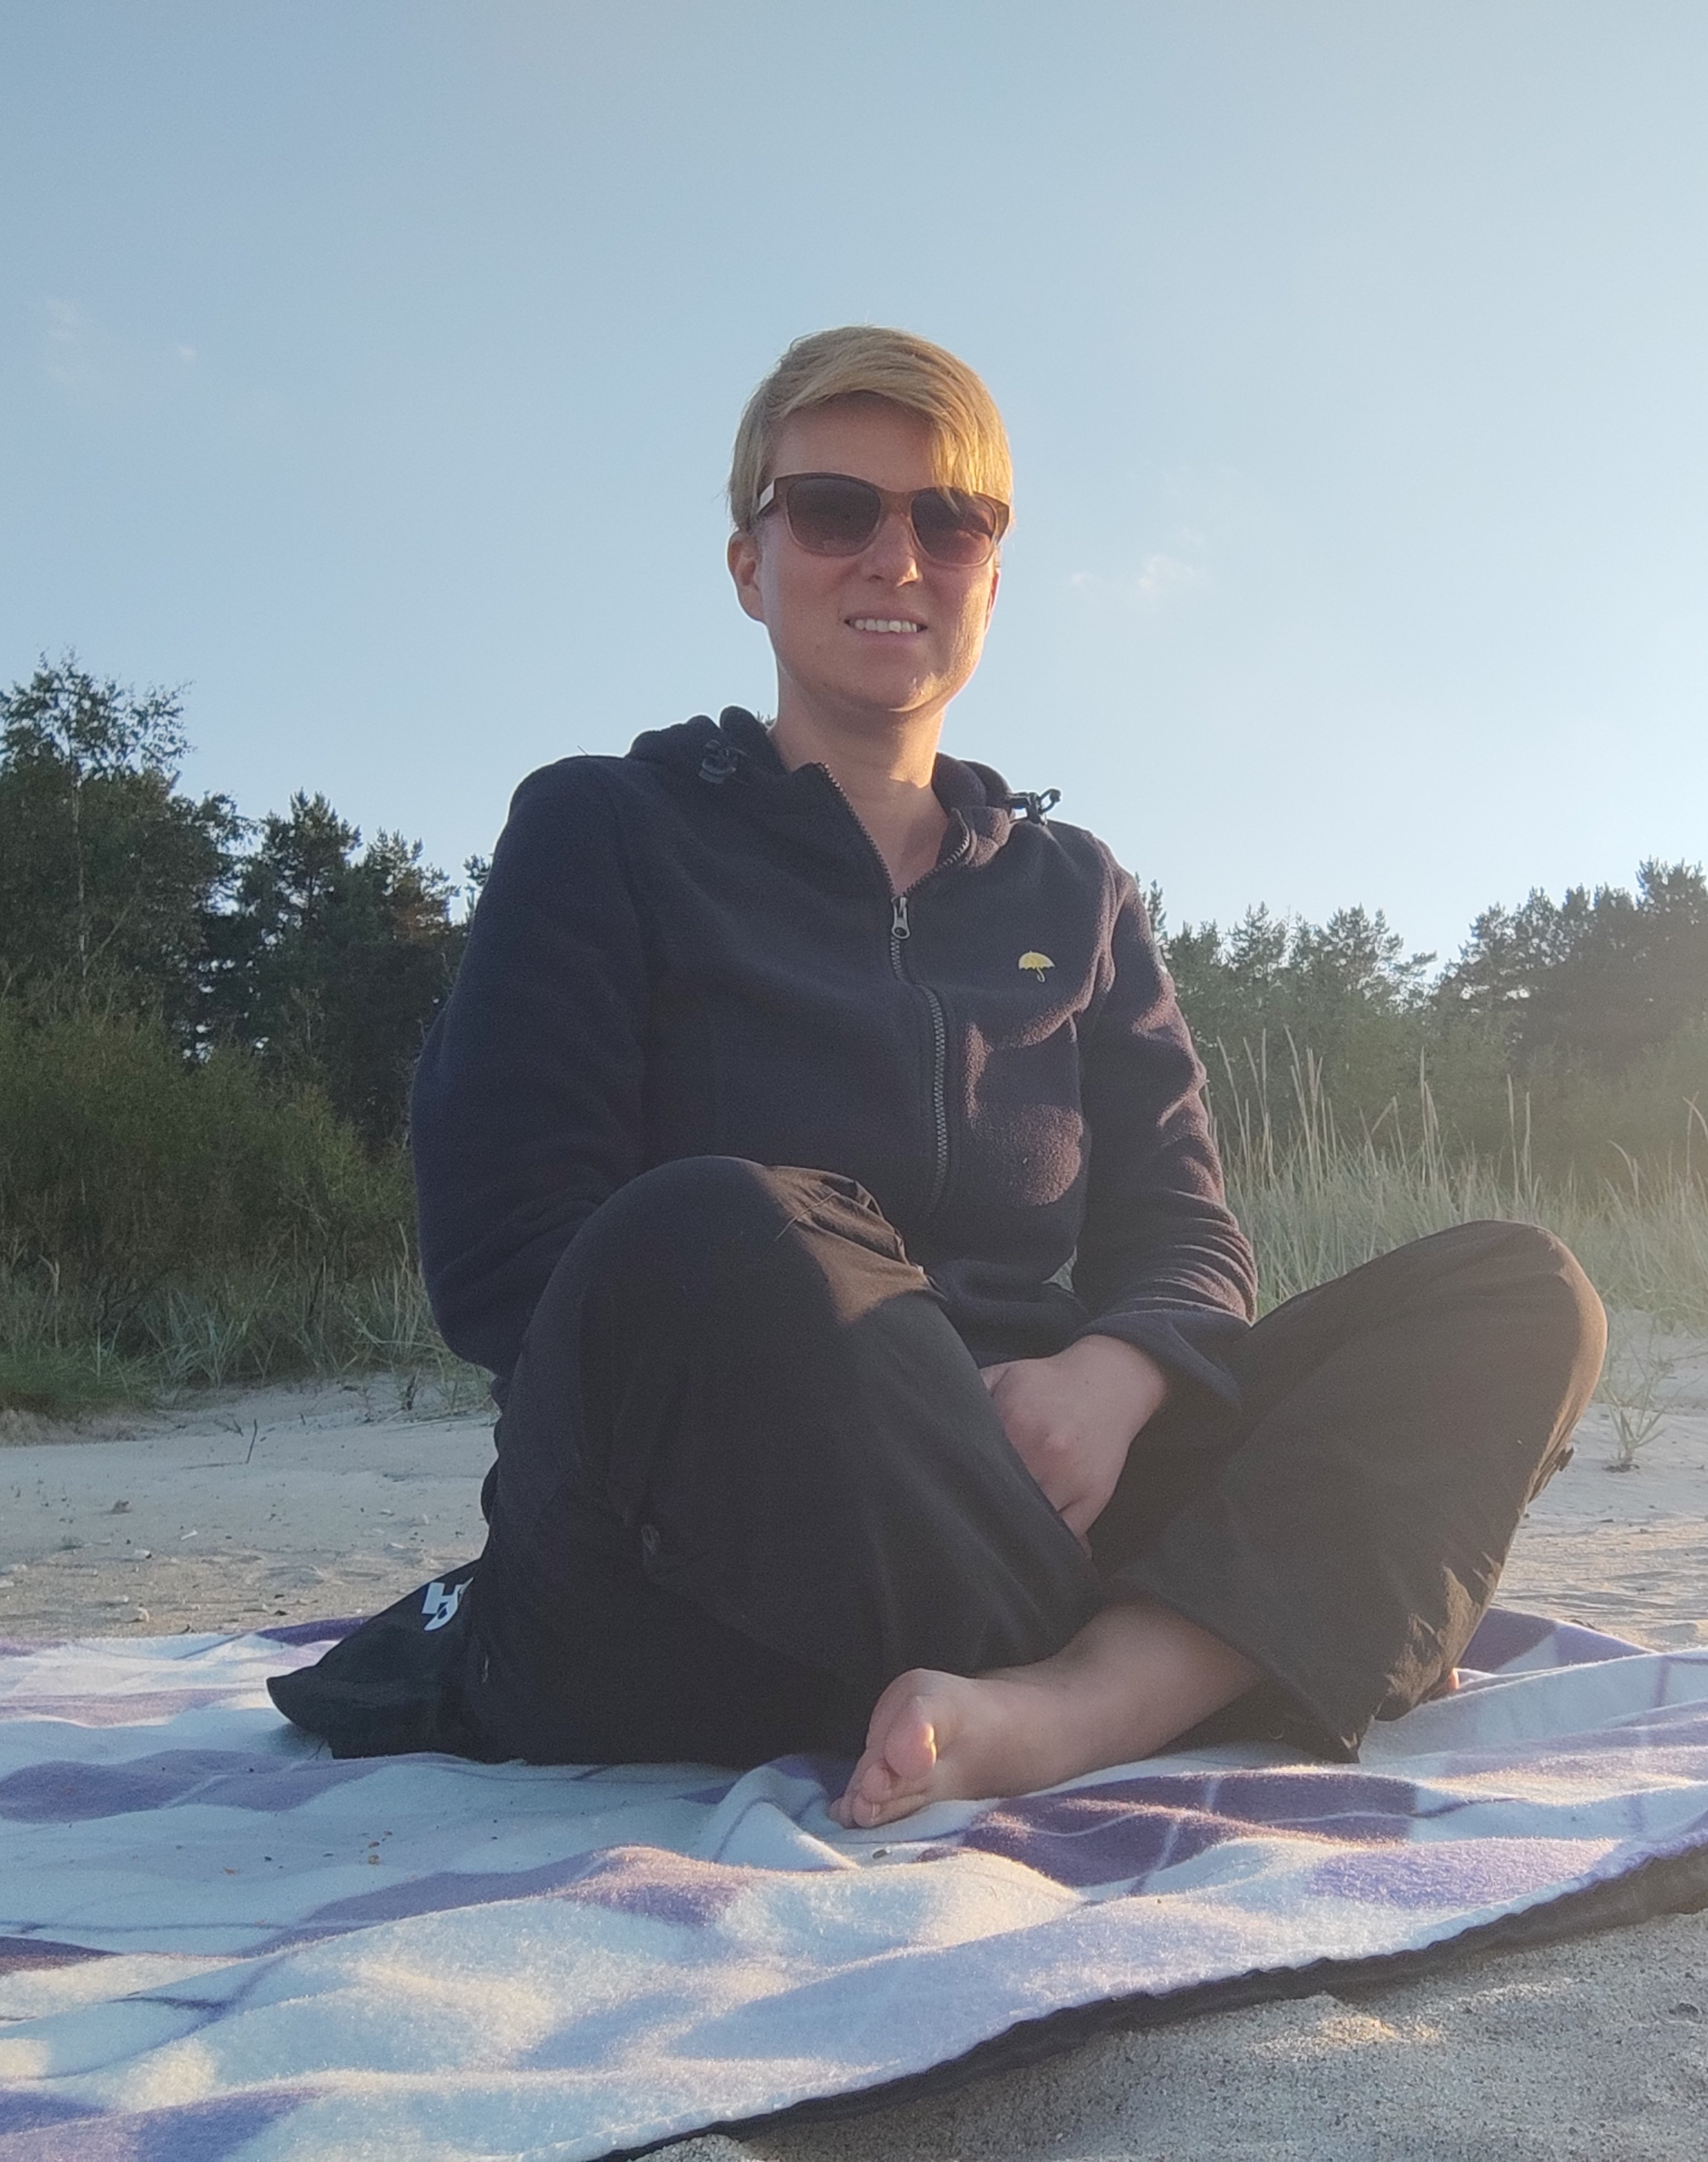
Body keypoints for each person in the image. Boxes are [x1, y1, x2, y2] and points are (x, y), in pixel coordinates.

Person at [392, 327, 1605, 1828]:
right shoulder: (602, 831)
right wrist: (886, 1387)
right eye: (834, 510)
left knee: (1517, 1292)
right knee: (720, 1227)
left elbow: (1186, 1237)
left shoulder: (1075, 894)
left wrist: (1113, 1378)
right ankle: (1203, 1648)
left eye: (951, 521)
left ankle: (1067, 1707)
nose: (895, 556)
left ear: (992, 576)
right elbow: (509, 1262)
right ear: (750, 564)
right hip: (687, 1558)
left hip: (1050, 1491)